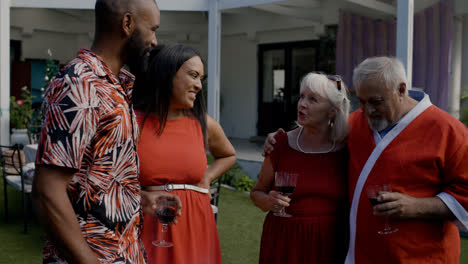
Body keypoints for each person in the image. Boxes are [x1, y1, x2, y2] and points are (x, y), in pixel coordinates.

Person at [265, 57, 468, 264]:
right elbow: (319, 133)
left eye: (376, 101)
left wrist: (415, 206)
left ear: (401, 89)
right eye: (361, 101)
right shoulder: (356, 122)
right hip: (361, 255)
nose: (368, 110)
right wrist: (280, 139)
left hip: (421, 257)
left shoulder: (450, 132)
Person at [32, 1, 181, 263]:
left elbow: (96, 177)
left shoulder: (116, 85)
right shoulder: (80, 83)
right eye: (152, 29)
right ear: (127, 24)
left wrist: (141, 200)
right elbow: (48, 193)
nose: (155, 41)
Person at [131, 44, 236, 264]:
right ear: (167, 74)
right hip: (148, 226)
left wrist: (207, 176)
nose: (199, 86)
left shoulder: (203, 124)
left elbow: (228, 155)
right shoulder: (131, 122)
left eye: (201, 79)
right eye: (193, 75)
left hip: (196, 224)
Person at [251, 72, 350, 264]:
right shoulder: (279, 143)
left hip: (330, 243)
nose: (302, 104)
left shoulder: (347, 149)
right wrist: (267, 201)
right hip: (284, 242)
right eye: (302, 96)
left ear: (332, 110)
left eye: (313, 99)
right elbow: (256, 193)